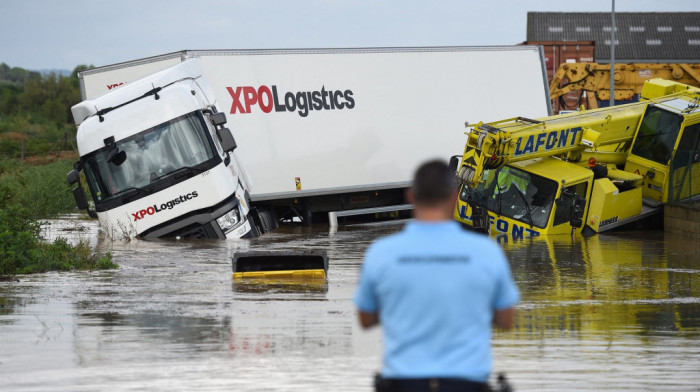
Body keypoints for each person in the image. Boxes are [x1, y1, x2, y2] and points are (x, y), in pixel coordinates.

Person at [354, 160, 520, 392]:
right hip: (467, 383)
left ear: (411, 196)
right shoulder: (486, 251)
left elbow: (366, 319)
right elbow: (506, 320)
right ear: (454, 197)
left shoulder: (381, 253)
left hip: (404, 383)